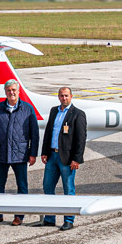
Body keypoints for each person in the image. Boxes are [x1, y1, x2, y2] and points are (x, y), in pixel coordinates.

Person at [0, 80, 39, 225]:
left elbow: (34, 133)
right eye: (9, 90)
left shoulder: (27, 109)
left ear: (18, 91)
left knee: (22, 186)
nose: (12, 92)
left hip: (20, 154)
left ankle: (19, 216)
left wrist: (33, 153)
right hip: (1, 154)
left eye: (14, 90)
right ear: (5, 92)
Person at [38, 86, 86, 230]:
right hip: (52, 155)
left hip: (67, 158)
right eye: (61, 96)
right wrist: (45, 151)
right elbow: (48, 132)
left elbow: (81, 138)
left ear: (71, 96)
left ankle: (69, 220)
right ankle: (49, 218)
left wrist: (77, 159)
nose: (63, 98)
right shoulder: (54, 111)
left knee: (68, 189)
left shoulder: (78, 114)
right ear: (58, 97)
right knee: (47, 186)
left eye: (66, 96)